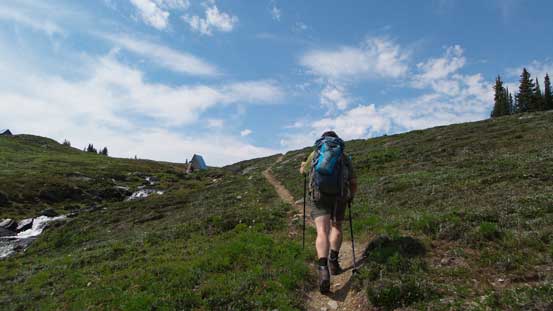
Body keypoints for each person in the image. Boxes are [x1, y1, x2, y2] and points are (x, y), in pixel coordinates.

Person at [300, 131, 357, 293]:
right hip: (339, 196)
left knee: (322, 232)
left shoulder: (315, 153)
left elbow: (304, 173)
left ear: (322, 140)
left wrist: (303, 165)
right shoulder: (343, 157)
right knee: (336, 226)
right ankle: (334, 261)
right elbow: (353, 182)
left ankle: (323, 269)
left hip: (319, 196)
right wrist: (350, 196)